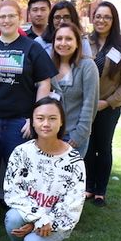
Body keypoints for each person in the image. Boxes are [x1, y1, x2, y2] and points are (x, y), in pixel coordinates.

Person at [0, 0, 57, 200]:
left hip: (19, 123)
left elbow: (44, 83)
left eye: (11, 16)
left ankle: (20, 214)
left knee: (22, 173)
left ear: (20, 18)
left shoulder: (32, 49)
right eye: (2, 16)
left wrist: (36, 118)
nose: (6, 20)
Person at [4, 97, 85, 241]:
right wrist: (37, 219)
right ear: (32, 122)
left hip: (56, 221)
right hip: (30, 212)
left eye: (52, 118)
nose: (46, 124)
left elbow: (72, 203)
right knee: (13, 219)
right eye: (40, 118)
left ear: (61, 122)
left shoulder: (74, 160)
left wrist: (46, 222)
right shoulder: (21, 152)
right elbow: (13, 191)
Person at [85, 1, 121, 207]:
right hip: (86, 106)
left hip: (109, 106)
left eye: (107, 17)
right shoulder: (85, 41)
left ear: (113, 20)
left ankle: (100, 190)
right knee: (87, 147)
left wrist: (108, 102)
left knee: (103, 147)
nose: (101, 20)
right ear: (93, 18)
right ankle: (88, 186)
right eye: (98, 16)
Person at [50, 23, 99, 158]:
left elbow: (90, 103)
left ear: (77, 43)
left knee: (68, 178)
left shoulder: (87, 66)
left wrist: (79, 135)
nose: (63, 43)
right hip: (48, 135)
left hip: (73, 138)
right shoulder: (47, 65)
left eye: (69, 39)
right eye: (59, 39)